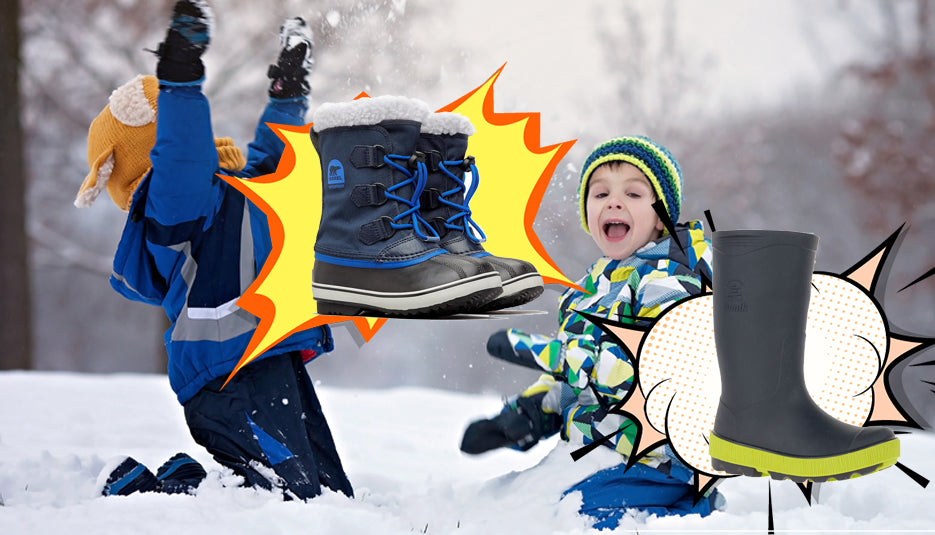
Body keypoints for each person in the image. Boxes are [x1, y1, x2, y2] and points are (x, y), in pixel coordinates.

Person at [75, 0, 352, 500]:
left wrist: (288, 92)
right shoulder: (174, 206)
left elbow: (277, 156)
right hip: (224, 380)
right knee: (291, 501)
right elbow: (181, 154)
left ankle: (193, 481)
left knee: (331, 498)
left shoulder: (234, 190)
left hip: (269, 362)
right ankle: (143, 493)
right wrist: (180, 76)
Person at [460, 136, 720, 527]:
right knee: (509, 512)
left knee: (572, 518)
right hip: (600, 453)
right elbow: (575, 382)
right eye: (600, 194)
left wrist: (561, 357)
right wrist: (532, 413)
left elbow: (648, 373)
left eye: (633, 192)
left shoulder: (677, 278)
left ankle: (685, 515)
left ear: (662, 213)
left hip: (661, 461)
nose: (614, 202)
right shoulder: (588, 289)